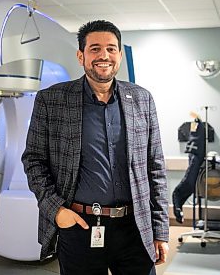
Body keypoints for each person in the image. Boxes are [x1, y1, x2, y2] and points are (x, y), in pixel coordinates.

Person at [22, 20, 169, 275]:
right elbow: (34, 160)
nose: (104, 55)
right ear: (81, 56)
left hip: (135, 227)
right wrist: (56, 210)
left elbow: (155, 168)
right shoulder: (52, 100)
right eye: (95, 49)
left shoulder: (142, 99)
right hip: (79, 225)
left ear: (120, 55)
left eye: (111, 49)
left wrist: (160, 229)